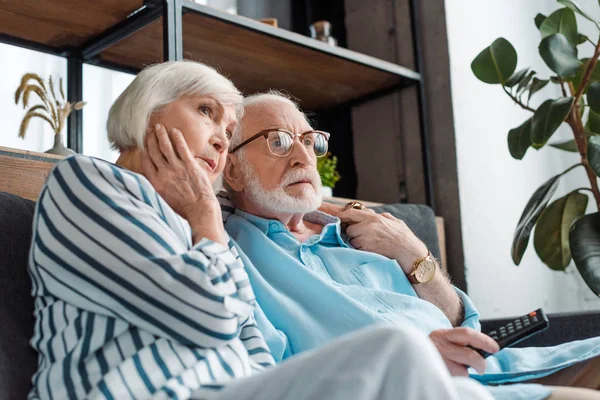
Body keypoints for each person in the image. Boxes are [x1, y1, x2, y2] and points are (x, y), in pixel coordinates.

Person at [27, 61, 492, 400]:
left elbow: (253, 345)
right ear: (150, 114)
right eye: (206, 111)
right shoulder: (89, 182)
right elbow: (209, 317)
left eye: (227, 131)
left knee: (465, 393)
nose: (218, 139)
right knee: (400, 350)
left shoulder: (197, 223)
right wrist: (207, 211)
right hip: (144, 391)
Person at [221, 91, 600, 400]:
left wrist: (413, 253)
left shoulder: (365, 233)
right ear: (232, 169)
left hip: (505, 369)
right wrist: (415, 359)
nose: (303, 156)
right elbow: (274, 378)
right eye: (279, 142)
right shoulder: (230, 257)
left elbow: (461, 324)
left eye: (309, 141)